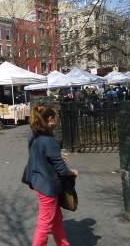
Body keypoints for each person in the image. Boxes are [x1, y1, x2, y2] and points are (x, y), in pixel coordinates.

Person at [24, 105, 78, 246]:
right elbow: (61, 170)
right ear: (50, 119)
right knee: (44, 224)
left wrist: (57, 157)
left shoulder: (32, 135)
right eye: (57, 116)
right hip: (47, 186)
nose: (59, 119)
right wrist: (72, 172)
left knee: (56, 219)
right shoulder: (51, 141)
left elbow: (41, 154)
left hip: (36, 180)